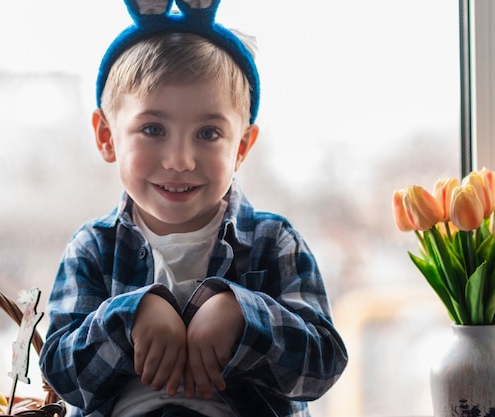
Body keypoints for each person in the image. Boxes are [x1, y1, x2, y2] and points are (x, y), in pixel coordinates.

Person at [39, 1, 348, 416]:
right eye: (153, 129)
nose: (180, 160)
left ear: (241, 147)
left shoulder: (274, 242)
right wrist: (129, 318)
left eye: (208, 133)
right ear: (107, 136)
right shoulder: (94, 247)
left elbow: (321, 366)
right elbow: (60, 373)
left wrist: (243, 315)